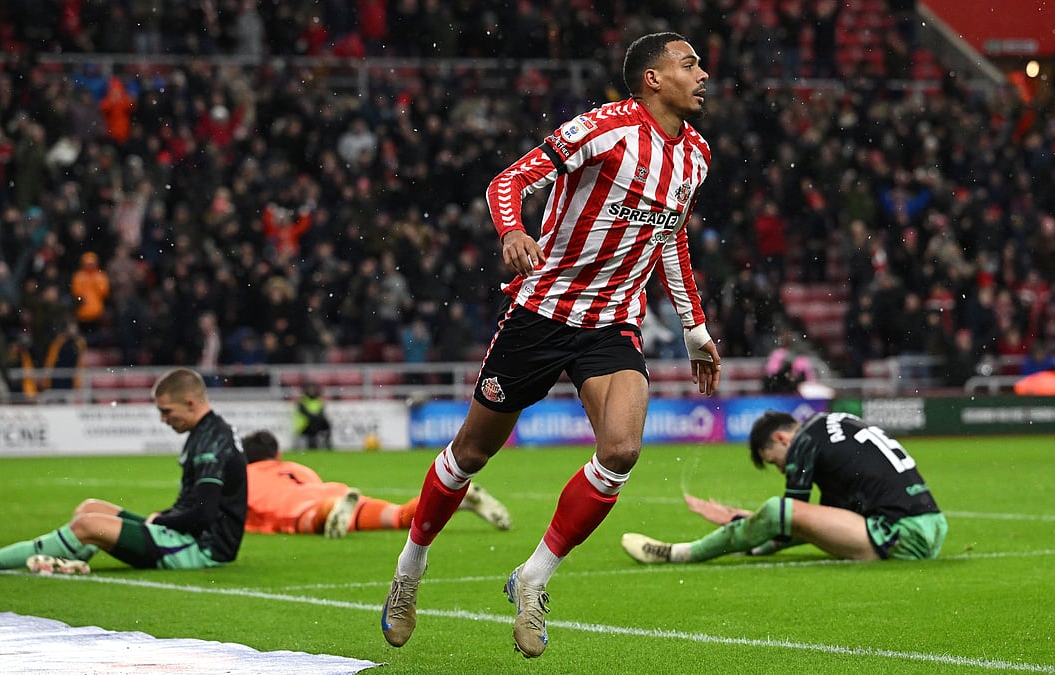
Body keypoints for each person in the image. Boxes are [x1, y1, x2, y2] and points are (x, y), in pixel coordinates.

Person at [380, 32, 721, 659]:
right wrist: (511, 231)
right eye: (688, 64)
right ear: (652, 78)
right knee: (472, 453)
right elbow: (507, 181)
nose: (702, 74)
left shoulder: (696, 156)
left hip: (613, 324)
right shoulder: (603, 129)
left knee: (620, 450)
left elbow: (671, 241)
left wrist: (696, 330)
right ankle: (409, 570)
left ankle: (533, 578)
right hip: (542, 314)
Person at [0, 368, 247, 576]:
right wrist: (163, 518)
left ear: (191, 403)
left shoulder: (211, 439)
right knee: (91, 508)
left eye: (167, 411)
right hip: (185, 534)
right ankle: (71, 562)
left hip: (201, 549)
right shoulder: (207, 432)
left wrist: (163, 519)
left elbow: (204, 514)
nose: (163, 419)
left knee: (88, 525)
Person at [621, 410, 946, 565]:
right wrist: (752, 528)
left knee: (778, 509)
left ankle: (678, 554)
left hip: (901, 534)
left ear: (781, 439)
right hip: (932, 526)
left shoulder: (803, 441)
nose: (783, 469)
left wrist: (741, 524)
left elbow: (787, 518)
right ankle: (736, 539)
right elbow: (814, 522)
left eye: (776, 462)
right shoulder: (835, 424)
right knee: (783, 514)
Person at [241, 430, 511, 537]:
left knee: (306, 521)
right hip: (333, 490)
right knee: (399, 516)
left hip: (300, 506)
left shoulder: (245, 477)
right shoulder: (295, 467)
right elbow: (312, 483)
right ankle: (457, 497)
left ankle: (331, 511)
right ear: (276, 454)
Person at [294, 381, 333, 449]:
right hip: (304, 425)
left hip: (316, 422)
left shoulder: (319, 400)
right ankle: (312, 445)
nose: (311, 391)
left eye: (313, 389)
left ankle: (327, 444)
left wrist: (317, 418)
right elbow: (306, 413)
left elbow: (321, 412)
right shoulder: (302, 401)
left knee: (326, 424)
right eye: (310, 389)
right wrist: (316, 417)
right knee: (313, 425)